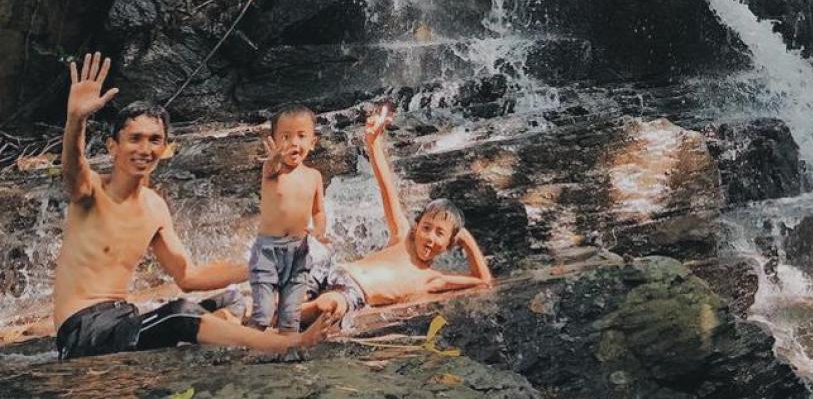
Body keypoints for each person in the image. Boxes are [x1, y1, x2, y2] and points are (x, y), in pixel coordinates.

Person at [52, 53, 334, 359]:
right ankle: (290, 343)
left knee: (232, 300)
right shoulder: (91, 191)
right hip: (84, 331)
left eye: (154, 140)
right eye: (135, 139)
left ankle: (232, 340)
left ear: (164, 148)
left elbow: (188, 277)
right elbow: (73, 167)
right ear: (113, 146)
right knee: (179, 314)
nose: (144, 149)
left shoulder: (154, 207)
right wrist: (76, 120)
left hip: (123, 321)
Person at [302, 104, 492, 325]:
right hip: (334, 270)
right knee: (306, 248)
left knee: (327, 306)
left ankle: (283, 316)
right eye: (426, 227)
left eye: (440, 233)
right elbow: (386, 187)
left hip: (351, 293)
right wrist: (373, 142)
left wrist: (466, 239)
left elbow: (483, 280)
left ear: (449, 243)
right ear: (416, 227)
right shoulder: (402, 236)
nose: (430, 237)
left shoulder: (432, 280)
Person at [248, 104, 328, 335]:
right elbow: (270, 165)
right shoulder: (272, 171)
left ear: (313, 142)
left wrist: (319, 231)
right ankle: (248, 346)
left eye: (301, 136)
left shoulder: (314, 176)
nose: (294, 143)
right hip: (268, 251)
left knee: (291, 315)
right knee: (263, 313)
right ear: (273, 141)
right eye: (285, 137)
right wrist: (274, 158)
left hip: (299, 252)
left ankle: (288, 348)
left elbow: (318, 211)